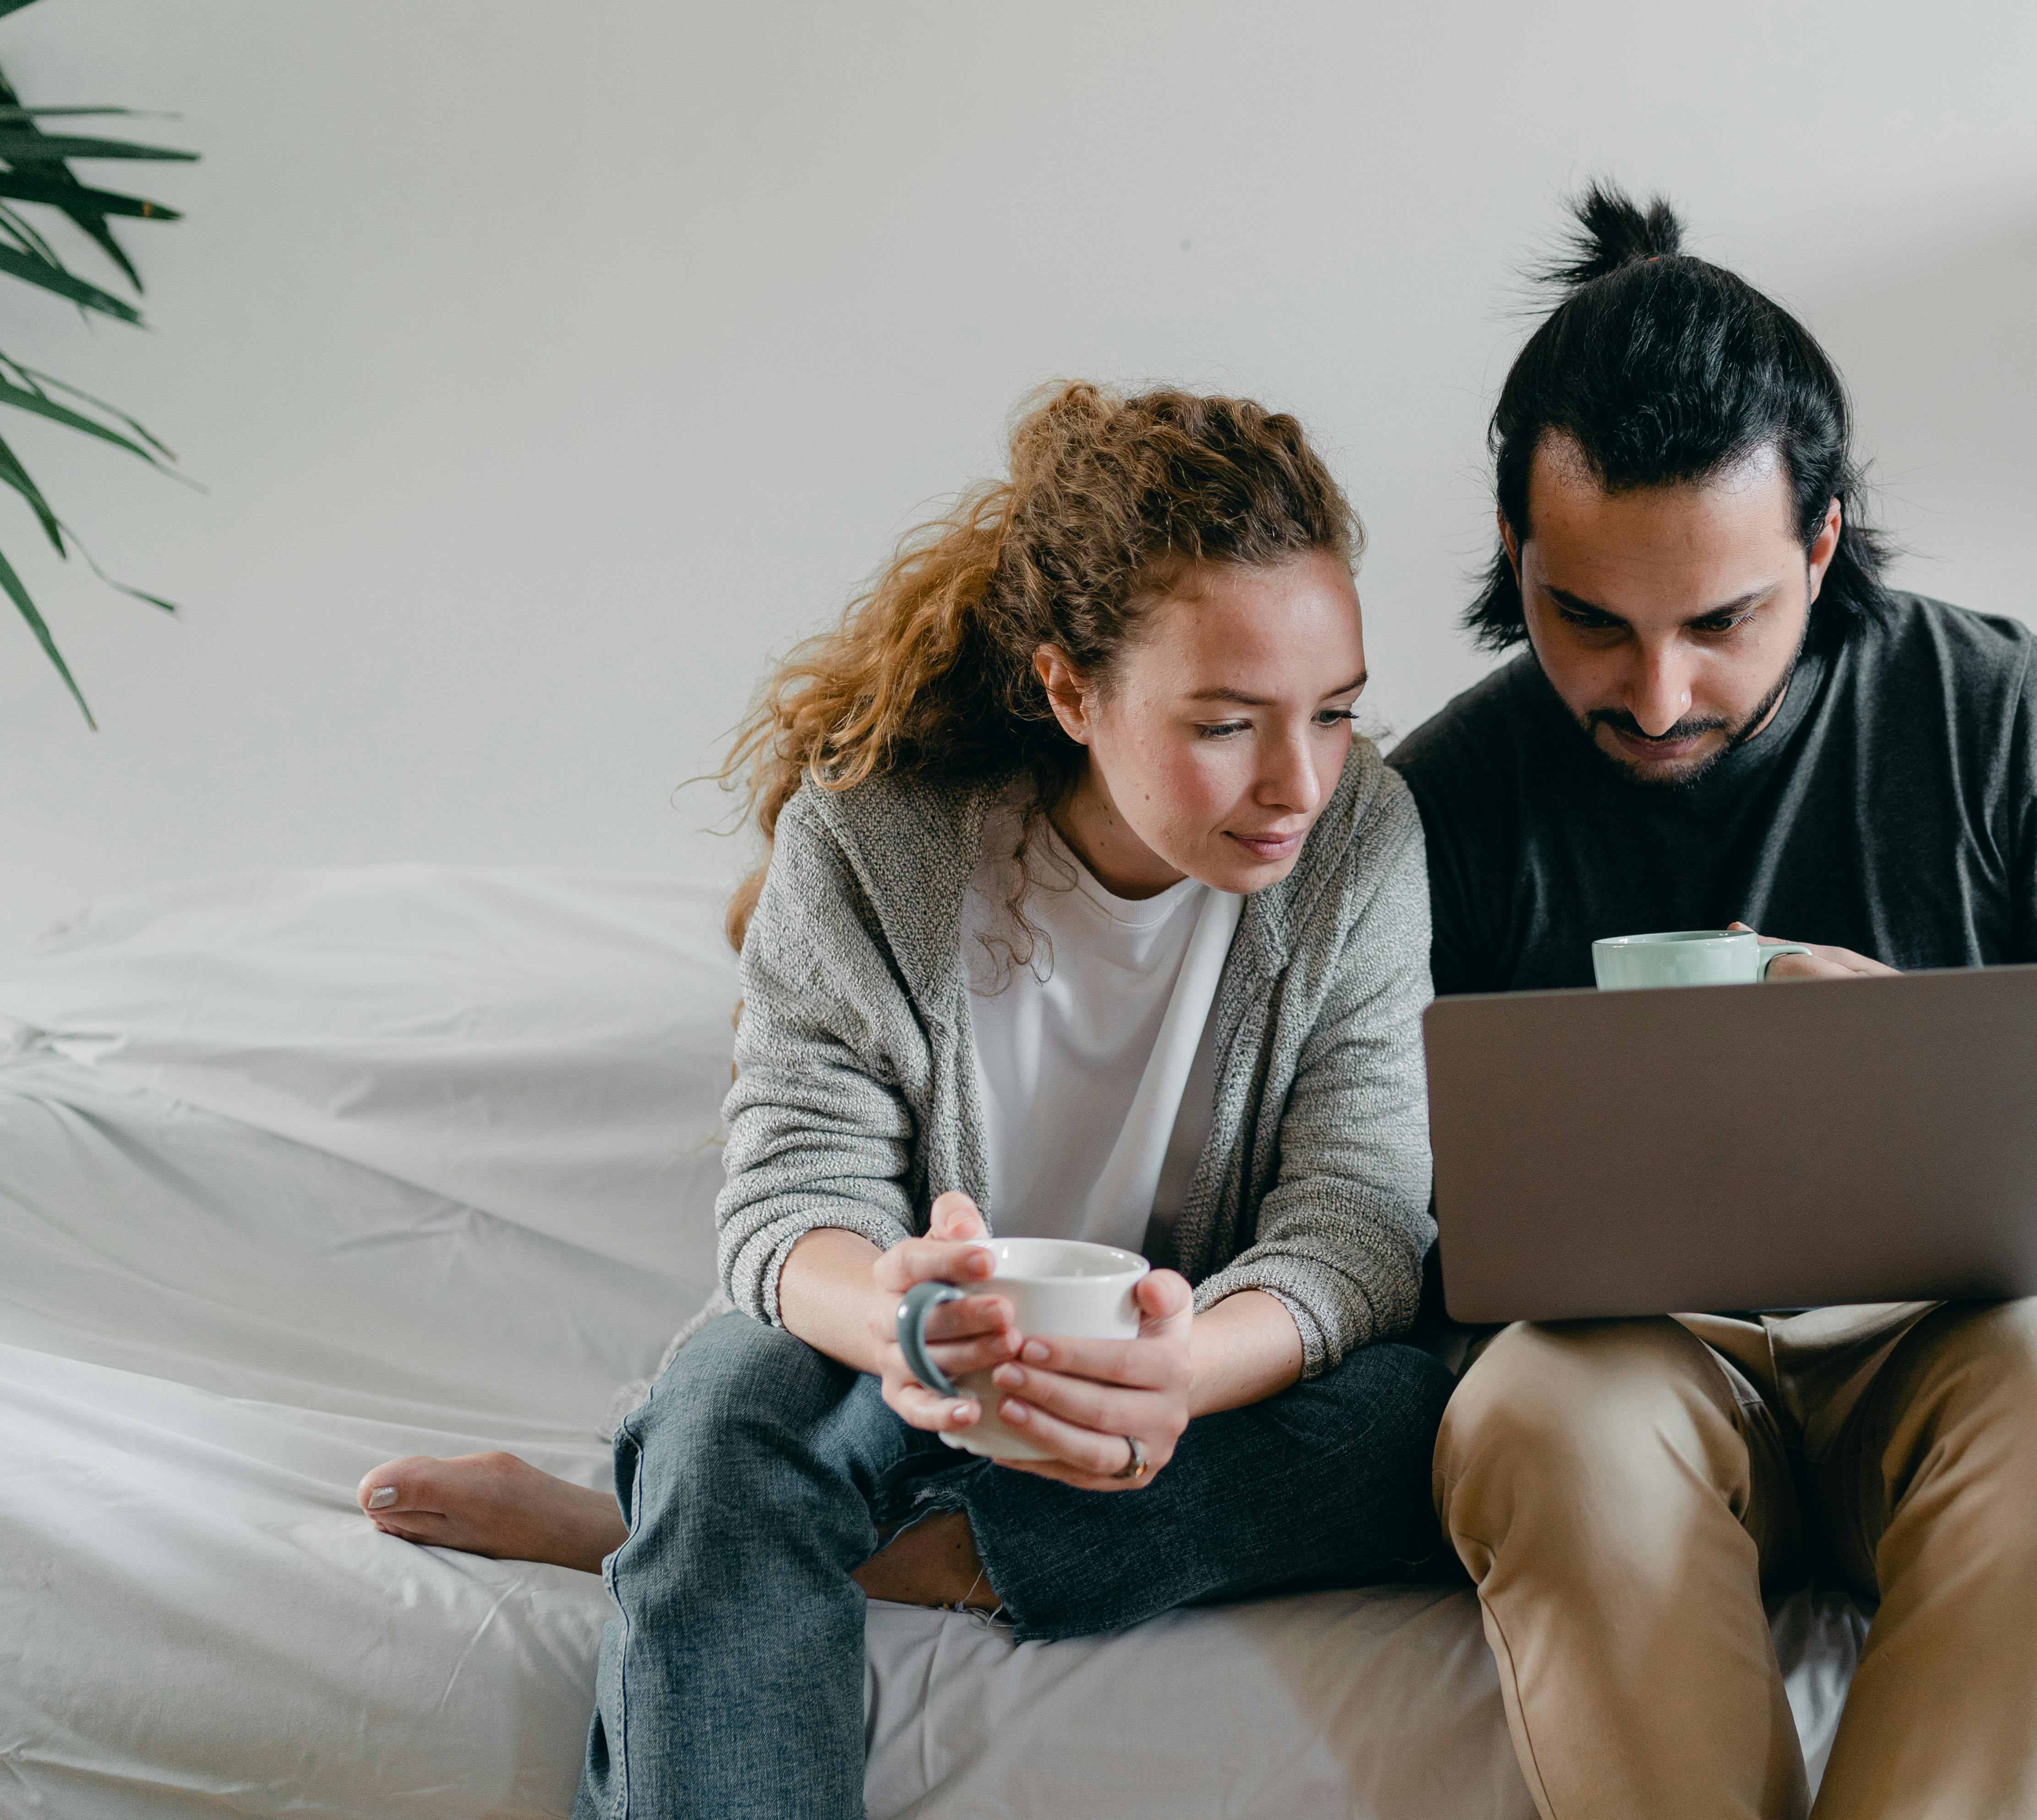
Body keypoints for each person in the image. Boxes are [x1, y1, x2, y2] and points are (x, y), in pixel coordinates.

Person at [354, 382, 1454, 1819]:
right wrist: (905, 1324)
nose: (1299, 781)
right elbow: (788, 1203)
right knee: (729, 1413)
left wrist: (1182, 1368)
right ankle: (719, 1515)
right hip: (906, 1345)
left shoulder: (1361, 838)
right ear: (1071, 690)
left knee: (1425, 1426)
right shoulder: (872, 836)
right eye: (1230, 723)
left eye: (1337, 713)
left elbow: (1361, 1219)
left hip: (1193, 1375)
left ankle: (685, 1542)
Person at [1389, 187, 2037, 1820]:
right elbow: (1350, 1177)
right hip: (1630, 1362)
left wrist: (1920, 1068)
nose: (1656, 696)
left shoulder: (1997, 718)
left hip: (1949, 1352)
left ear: (1820, 542)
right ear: (1516, 552)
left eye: (1723, 621)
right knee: (1531, 1410)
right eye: (1586, 619)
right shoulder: (1448, 797)